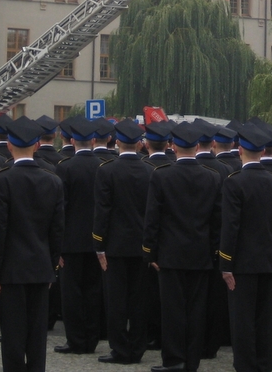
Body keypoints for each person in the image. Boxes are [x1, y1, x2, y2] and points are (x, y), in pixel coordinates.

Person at [0, 117, 64, 372]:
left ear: (9, 146)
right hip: (41, 266)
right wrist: (53, 265)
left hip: (10, 268)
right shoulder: (52, 180)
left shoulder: (2, 179)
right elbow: (56, 230)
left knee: (12, 333)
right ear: (37, 145)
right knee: (37, 334)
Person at [142, 122, 222, 372]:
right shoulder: (213, 176)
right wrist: (214, 253)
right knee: (197, 310)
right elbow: (217, 221)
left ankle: (174, 359)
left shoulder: (161, 174)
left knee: (173, 311)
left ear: (173, 146)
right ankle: (192, 360)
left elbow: (152, 218)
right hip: (200, 254)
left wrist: (150, 252)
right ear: (197, 147)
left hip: (170, 254)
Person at [219, 123, 272, 372]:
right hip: (269, 260)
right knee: (264, 317)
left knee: (242, 319)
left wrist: (226, 263)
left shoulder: (234, 183)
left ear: (240, 151)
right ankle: (264, 362)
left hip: (241, 263)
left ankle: (246, 364)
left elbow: (231, 228)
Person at [93, 119, 153, 365]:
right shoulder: (151, 171)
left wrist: (99, 244)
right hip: (142, 246)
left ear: (116, 141)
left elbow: (102, 211)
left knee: (116, 300)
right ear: (140, 144)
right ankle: (137, 347)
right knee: (140, 300)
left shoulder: (107, 170)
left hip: (115, 246)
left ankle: (119, 348)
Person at [53, 118, 104, 355]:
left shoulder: (65, 167)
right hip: (97, 241)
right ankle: (92, 338)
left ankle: (75, 340)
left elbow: (60, 208)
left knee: (71, 293)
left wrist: (58, 246)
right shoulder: (103, 166)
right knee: (94, 292)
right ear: (93, 141)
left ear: (72, 141)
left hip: (71, 242)